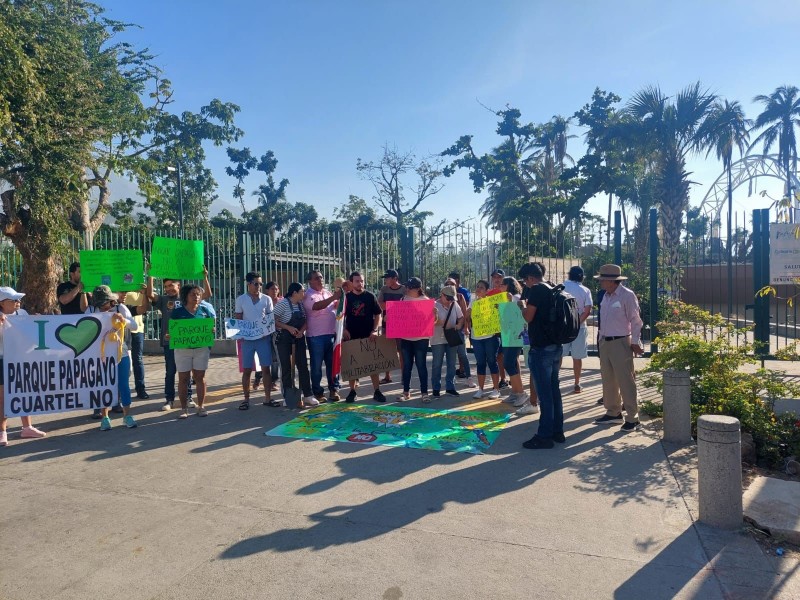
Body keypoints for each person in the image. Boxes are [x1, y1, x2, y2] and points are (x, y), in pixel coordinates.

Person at [147, 270, 212, 411]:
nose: (168, 288)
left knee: (189, 373)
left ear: (179, 285)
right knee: (171, 372)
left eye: (171, 285)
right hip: (171, 342)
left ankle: (188, 398)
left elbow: (206, 295)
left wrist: (204, 277)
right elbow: (150, 295)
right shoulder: (164, 300)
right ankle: (169, 399)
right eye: (166, 286)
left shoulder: (187, 298)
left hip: (193, 344)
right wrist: (151, 275)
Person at [593, 264, 644, 432]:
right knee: (608, 379)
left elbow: (636, 321)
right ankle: (613, 413)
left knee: (626, 380)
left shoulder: (627, 296)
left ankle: (632, 417)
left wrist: (635, 342)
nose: (600, 282)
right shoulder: (605, 296)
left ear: (611, 281)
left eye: (602, 279)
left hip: (621, 342)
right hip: (605, 342)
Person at [519, 262, 563, 450]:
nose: (525, 285)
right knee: (554, 390)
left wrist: (522, 306)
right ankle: (557, 431)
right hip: (555, 346)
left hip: (541, 348)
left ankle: (544, 436)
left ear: (530, 278)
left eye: (524, 281)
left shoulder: (536, 290)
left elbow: (528, 317)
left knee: (544, 393)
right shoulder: (553, 287)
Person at [86, 286, 139, 431]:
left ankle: (127, 415)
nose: (104, 306)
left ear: (111, 300)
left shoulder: (120, 308)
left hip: (120, 353)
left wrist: (124, 321)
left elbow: (134, 326)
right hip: (100, 355)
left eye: (106, 302)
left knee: (123, 384)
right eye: (100, 303)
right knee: (103, 385)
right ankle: (105, 417)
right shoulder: (90, 311)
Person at [0, 287, 47, 446]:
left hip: (21, 358)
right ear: (2, 303)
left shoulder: (23, 314)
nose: (18, 302)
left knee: (23, 392)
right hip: (2, 359)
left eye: (18, 299)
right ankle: (2, 431)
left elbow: (31, 333)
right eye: (13, 300)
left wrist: (37, 322)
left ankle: (27, 427)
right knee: (3, 398)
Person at [171, 284, 215, 418]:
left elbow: (211, 327)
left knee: (200, 377)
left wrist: (211, 330)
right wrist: (170, 335)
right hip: (182, 350)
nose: (196, 297)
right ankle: (184, 409)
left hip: (201, 349)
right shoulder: (177, 312)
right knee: (183, 379)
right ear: (186, 296)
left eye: (198, 294)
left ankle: (201, 406)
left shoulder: (204, 310)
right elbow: (172, 330)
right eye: (193, 294)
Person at [342, 271, 386, 403]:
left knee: (373, 364)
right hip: (351, 336)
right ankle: (352, 391)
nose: (360, 283)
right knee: (352, 365)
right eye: (357, 281)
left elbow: (378, 314)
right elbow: (340, 317)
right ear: (351, 283)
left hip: (368, 335)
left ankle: (377, 391)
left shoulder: (370, 296)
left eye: (361, 281)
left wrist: (374, 330)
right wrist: (343, 329)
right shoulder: (346, 298)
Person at [234, 271, 275, 410]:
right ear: (248, 284)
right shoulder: (241, 300)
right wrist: (243, 334)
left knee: (266, 369)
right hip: (248, 340)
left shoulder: (266, 299)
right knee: (246, 370)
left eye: (261, 284)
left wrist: (266, 331)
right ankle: (246, 399)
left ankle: (268, 398)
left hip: (263, 338)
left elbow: (270, 318)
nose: (259, 286)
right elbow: (238, 318)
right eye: (256, 283)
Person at [274, 282, 318, 409]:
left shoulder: (301, 305)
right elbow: (273, 320)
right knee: (286, 368)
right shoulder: (282, 304)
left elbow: (306, 321)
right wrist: (288, 328)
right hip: (284, 339)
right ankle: (288, 397)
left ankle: (308, 395)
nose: (304, 293)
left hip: (298, 338)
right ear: (294, 293)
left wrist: (301, 331)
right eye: (302, 291)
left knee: (303, 366)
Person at [303, 271, 341, 403]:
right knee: (317, 366)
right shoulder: (308, 295)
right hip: (315, 336)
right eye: (317, 278)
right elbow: (316, 306)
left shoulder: (327, 292)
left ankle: (333, 389)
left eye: (321, 277)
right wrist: (332, 298)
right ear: (310, 281)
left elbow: (334, 306)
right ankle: (318, 392)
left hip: (331, 334)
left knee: (332, 364)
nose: (320, 280)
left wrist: (338, 301)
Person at [499, 276, 534, 415]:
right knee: (510, 361)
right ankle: (515, 392)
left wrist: (510, 300)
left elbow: (520, 308)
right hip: (508, 334)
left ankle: (521, 393)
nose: (500, 286)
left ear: (509, 285)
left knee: (508, 362)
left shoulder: (516, 297)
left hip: (517, 335)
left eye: (503, 284)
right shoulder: (503, 298)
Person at [398, 277, 431, 402]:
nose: (406, 289)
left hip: (421, 338)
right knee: (407, 365)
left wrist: (435, 314)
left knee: (421, 365)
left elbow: (432, 321)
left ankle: (424, 393)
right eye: (406, 286)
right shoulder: (402, 299)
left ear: (417, 288)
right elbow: (398, 317)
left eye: (409, 287)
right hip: (406, 337)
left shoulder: (426, 301)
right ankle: (406, 392)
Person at [467, 280, 501, 400]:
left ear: (487, 291)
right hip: (476, 337)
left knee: (492, 361)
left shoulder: (492, 302)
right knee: (480, 363)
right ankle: (480, 389)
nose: (478, 289)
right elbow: (467, 316)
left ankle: (496, 389)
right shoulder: (473, 302)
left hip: (490, 337)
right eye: (477, 287)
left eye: (481, 287)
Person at [562, 266, 593, 394]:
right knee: (577, 357)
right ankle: (577, 383)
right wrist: (576, 323)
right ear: (582, 276)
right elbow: (587, 311)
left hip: (562, 327)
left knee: (558, 355)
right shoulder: (585, 290)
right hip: (579, 328)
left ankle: (554, 380)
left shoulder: (562, 287)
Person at [430, 285, 463, 398]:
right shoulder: (434, 305)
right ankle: (436, 388)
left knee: (452, 363)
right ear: (442, 295)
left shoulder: (454, 304)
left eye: (451, 299)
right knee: (437, 364)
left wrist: (459, 325)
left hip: (451, 337)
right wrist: (440, 321)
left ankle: (450, 387)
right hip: (437, 338)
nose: (449, 301)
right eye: (448, 298)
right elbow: (429, 322)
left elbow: (461, 317)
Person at [445, 277, 475, 388]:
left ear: (457, 285)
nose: (450, 285)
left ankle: (469, 378)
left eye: (452, 284)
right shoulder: (442, 297)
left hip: (458, 330)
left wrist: (465, 328)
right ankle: (451, 379)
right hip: (447, 331)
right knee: (451, 356)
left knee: (463, 355)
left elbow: (465, 313)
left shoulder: (459, 297)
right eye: (447, 284)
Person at [122, 287, 151, 399]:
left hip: (137, 328)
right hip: (123, 330)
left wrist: (144, 292)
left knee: (137, 359)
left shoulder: (139, 288)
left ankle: (140, 389)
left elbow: (144, 307)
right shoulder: (118, 288)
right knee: (123, 361)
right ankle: (122, 391)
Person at [377, 269, 405, 384]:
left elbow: (407, 306)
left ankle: (404, 376)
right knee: (387, 350)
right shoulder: (384, 289)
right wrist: (397, 307)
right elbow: (380, 304)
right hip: (386, 325)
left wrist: (390, 306)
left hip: (401, 326)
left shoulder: (404, 289)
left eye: (388, 278)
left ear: (395, 278)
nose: (386, 280)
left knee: (401, 351)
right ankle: (387, 376)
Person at [487, 269, 509, 389]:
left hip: (508, 328)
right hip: (495, 328)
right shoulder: (489, 294)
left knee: (511, 356)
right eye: (494, 277)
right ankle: (503, 379)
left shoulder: (508, 293)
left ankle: (514, 378)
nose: (496, 279)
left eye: (499, 277)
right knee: (499, 355)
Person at [258, 282, 282, 392]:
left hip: (277, 333)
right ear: (267, 290)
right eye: (272, 289)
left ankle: (274, 381)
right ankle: (258, 377)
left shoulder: (282, 302)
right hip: (264, 333)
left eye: (276, 289)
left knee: (275, 358)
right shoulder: (262, 301)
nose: (275, 291)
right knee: (263, 357)